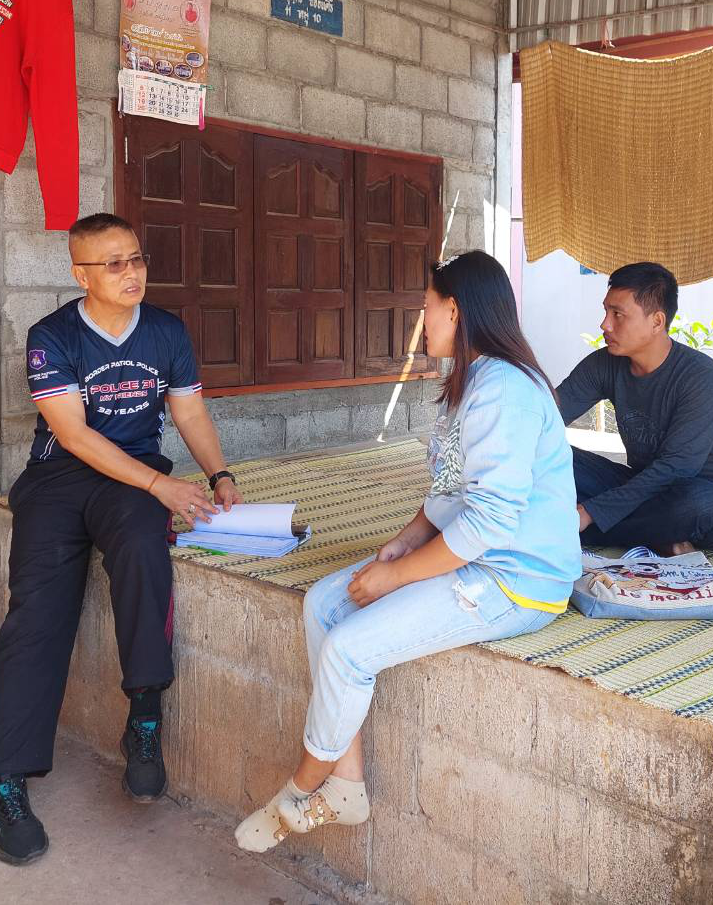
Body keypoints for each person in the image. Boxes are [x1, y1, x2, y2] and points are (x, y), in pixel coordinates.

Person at [233, 250, 579, 853]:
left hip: (515, 581)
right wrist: (402, 545)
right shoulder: (470, 382)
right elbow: (449, 491)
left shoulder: (504, 390)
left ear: (456, 310)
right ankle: (347, 785)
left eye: (427, 307)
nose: (422, 322)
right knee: (323, 604)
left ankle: (300, 789)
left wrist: (395, 579)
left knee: (348, 649)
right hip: (470, 555)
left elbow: (490, 522)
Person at [0, 213, 243, 865]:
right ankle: (7, 781)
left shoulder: (165, 331)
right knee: (35, 614)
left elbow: (188, 410)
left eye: (136, 258)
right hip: (58, 481)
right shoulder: (52, 336)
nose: (132, 273)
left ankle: (144, 716)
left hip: (131, 481)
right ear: (81, 274)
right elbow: (72, 435)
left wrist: (219, 474)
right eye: (114, 263)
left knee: (143, 551)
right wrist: (162, 487)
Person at [556, 262, 713, 555]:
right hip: (642, 488)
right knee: (551, 454)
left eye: (618, 314)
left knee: (698, 504)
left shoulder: (701, 377)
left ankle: (572, 527)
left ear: (657, 322)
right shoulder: (604, 364)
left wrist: (590, 512)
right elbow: (545, 419)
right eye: (606, 311)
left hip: (703, 494)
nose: (605, 324)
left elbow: (677, 468)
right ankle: (654, 538)